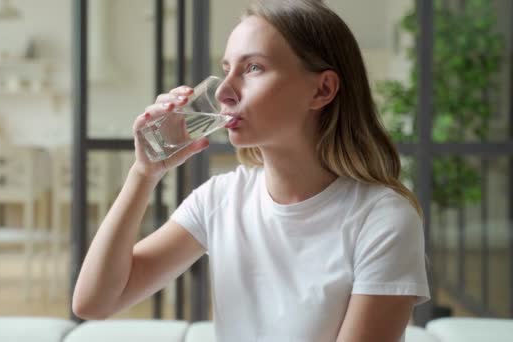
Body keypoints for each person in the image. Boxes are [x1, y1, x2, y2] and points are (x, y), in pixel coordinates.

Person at [73, 0, 430, 341]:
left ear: (322, 90)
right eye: (226, 69)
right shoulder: (221, 199)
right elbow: (95, 302)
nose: (225, 92)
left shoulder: (383, 220)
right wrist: (144, 173)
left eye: (253, 68)